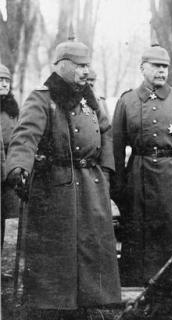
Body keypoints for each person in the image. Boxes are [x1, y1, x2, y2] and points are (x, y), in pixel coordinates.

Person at [5, 35, 121, 319]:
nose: (85, 71)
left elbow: (105, 134)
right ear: (62, 66)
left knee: (90, 249)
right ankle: (53, 306)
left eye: (87, 65)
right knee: (58, 252)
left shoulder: (91, 100)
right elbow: (25, 137)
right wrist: (18, 167)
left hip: (90, 185)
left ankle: (88, 302)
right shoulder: (42, 99)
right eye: (80, 65)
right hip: (56, 189)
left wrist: (104, 172)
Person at [111, 44, 172, 318]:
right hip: (139, 179)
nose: (161, 71)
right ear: (143, 68)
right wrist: (118, 187)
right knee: (144, 242)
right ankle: (149, 298)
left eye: (165, 67)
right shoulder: (127, 101)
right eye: (155, 66)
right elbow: (117, 148)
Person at [0, 64, 19, 250]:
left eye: (7, 80)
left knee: (4, 217)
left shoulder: (12, 108)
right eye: (0, 80)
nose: (4, 84)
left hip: (7, 171)